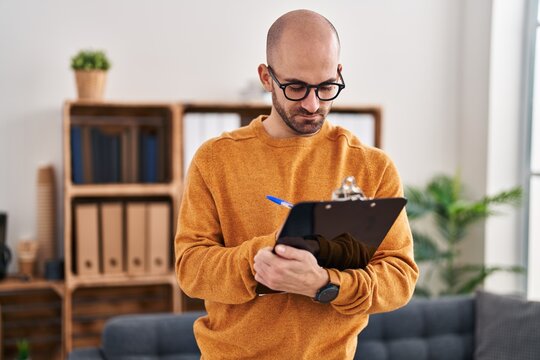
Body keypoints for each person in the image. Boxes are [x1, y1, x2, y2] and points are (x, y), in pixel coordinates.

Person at [175, 9, 418, 359]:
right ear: (266, 77)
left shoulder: (372, 166)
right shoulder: (215, 159)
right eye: (296, 87)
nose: (312, 103)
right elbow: (191, 269)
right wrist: (258, 260)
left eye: (325, 87)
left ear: (339, 73)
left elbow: (399, 278)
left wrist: (325, 284)